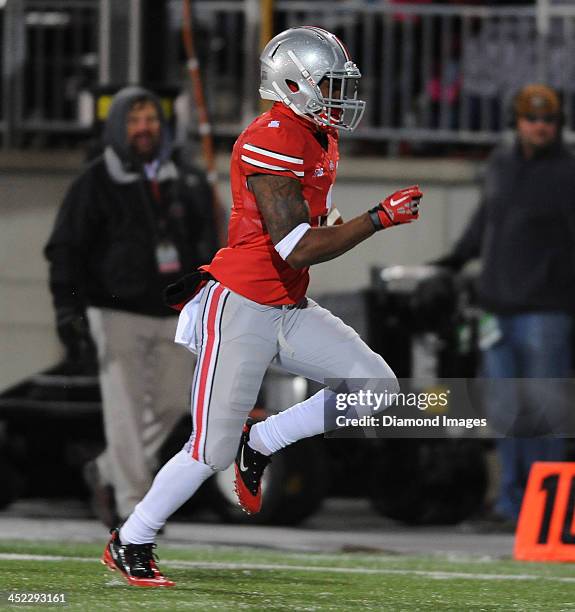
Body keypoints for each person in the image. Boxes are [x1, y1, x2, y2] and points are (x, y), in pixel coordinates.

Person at [101, 26, 423, 587]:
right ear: (292, 84)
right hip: (242, 308)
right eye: (328, 84)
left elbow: (305, 231)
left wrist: (343, 221)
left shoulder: (316, 134)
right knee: (208, 450)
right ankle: (131, 539)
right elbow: (295, 246)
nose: (338, 97)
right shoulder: (272, 135)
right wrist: (378, 219)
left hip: (287, 304)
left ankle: (264, 440)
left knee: (377, 386)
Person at [44, 86, 219, 527]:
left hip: (175, 312)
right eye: (135, 121)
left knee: (175, 403)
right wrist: (68, 312)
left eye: (152, 120)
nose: (145, 129)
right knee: (122, 410)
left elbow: (207, 244)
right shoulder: (95, 181)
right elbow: (65, 250)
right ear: (119, 126)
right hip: (114, 310)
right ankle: (133, 509)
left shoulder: (183, 177)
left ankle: (106, 469)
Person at [435, 84, 575, 527]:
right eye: (532, 118)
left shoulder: (569, 173)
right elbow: (486, 221)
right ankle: (512, 505)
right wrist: (457, 257)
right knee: (505, 411)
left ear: (560, 124)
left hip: (546, 309)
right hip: (497, 306)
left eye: (548, 120)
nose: (540, 126)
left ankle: (547, 510)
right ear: (516, 121)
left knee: (546, 411)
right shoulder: (500, 163)